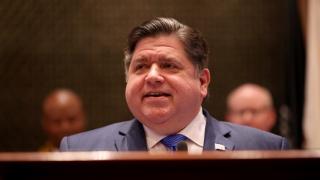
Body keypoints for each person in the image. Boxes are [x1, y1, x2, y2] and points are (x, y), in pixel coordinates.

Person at [60, 17, 289, 152]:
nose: (152, 76)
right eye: (140, 66)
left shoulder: (265, 148)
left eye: (168, 65)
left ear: (202, 81)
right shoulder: (80, 150)